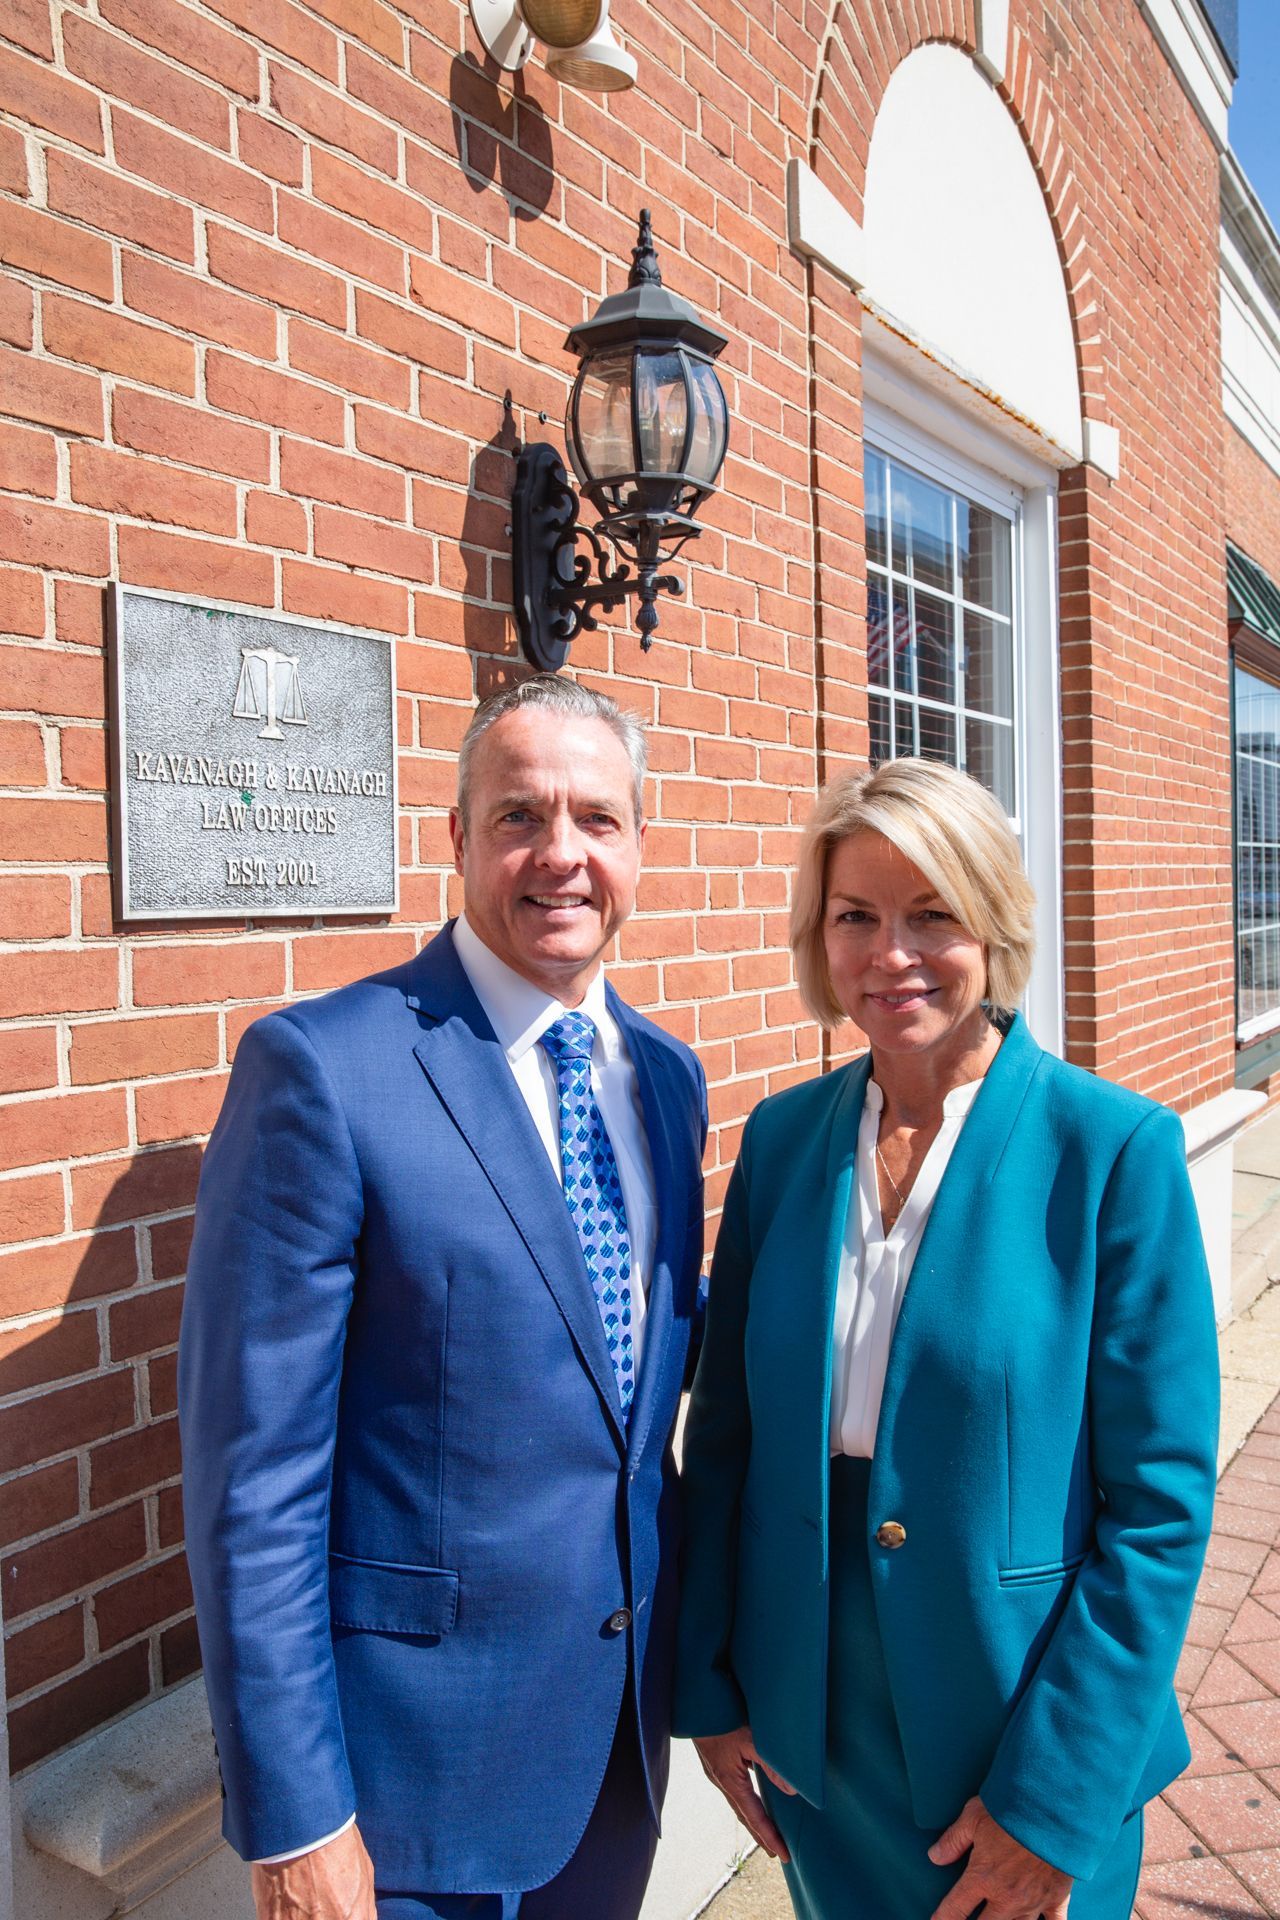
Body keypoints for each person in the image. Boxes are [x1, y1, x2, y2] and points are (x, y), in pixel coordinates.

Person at [179, 673, 707, 1920]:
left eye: (597, 819)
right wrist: (297, 1818)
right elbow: (253, 1480)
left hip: (611, 1762)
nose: (559, 855)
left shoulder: (668, 1082)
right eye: (520, 816)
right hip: (405, 1803)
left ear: (639, 843)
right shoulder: (323, 1069)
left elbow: (634, 1435)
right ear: (458, 839)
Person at [674, 756, 1218, 1920]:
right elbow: (724, 1437)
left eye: (931, 914)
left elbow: (1161, 1506)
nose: (890, 954)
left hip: (1016, 1717)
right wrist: (709, 1689)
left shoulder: (1112, 1151)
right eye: (855, 917)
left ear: (993, 925)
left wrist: (1054, 1799)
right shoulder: (778, 1143)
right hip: (810, 1724)